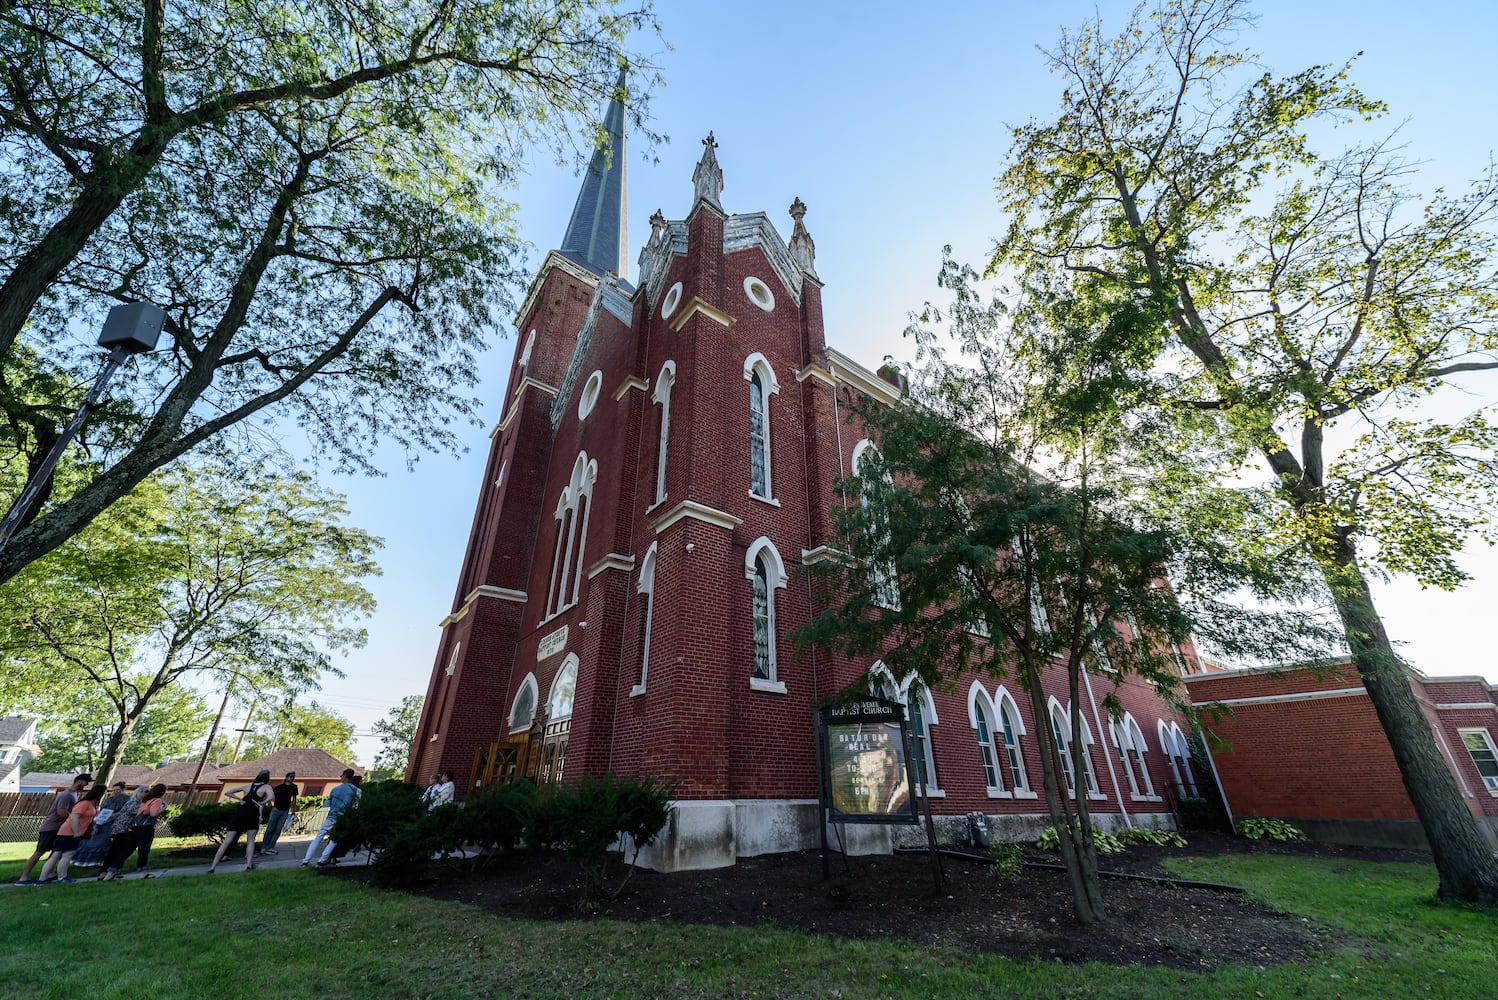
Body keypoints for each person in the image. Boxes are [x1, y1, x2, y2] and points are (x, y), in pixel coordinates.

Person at [15, 773, 91, 884]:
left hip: (60, 828)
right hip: (51, 827)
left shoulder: (73, 794)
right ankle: (23, 878)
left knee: (56, 852)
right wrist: (71, 821)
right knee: (40, 852)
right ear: (79, 781)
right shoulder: (67, 795)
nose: (86, 785)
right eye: (86, 782)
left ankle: (49, 874)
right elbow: (61, 811)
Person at [208, 769, 273, 873]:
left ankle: (212, 867)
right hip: (252, 814)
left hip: (240, 813)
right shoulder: (266, 787)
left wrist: (240, 799)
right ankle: (248, 865)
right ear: (267, 778)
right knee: (250, 840)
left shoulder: (247, 786)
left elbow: (228, 792)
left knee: (227, 841)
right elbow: (271, 796)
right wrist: (262, 802)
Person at [37, 785, 105, 883]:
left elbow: (89, 817)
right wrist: (76, 832)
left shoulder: (90, 804)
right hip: (70, 833)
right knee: (67, 855)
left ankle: (42, 879)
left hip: (66, 832)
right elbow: (74, 817)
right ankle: (62, 877)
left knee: (56, 855)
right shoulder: (84, 803)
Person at [100, 783, 167, 880]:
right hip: (145, 830)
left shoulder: (144, 801)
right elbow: (153, 814)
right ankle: (142, 872)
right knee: (143, 851)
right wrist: (164, 808)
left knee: (124, 852)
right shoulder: (157, 800)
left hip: (133, 830)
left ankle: (110, 873)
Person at [301, 768, 357, 867]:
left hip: (331, 816)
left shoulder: (335, 789)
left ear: (344, 777)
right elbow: (355, 806)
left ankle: (306, 860)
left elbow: (328, 804)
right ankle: (323, 859)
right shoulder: (355, 790)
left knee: (318, 837)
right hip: (342, 818)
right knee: (334, 840)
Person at [72, 780, 130, 868]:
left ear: (122, 790)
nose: (116, 792)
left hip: (116, 822)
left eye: (118, 790)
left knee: (105, 841)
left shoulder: (127, 799)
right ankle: (88, 861)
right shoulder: (109, 799)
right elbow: (102, 810)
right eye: (114, 790)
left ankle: (102, 861)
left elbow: (126, 811)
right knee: (92, 840)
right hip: (103, 821)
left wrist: (115, 815)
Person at [259, 771, 298, 854]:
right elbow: (269, 795)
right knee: (270, 828)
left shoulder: (294, 787)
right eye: (291, 777)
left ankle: (271, 847)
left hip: (285, 811)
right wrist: (270, 805)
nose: (292, 778)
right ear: (287, 777)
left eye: (293, 777)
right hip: (276, 810)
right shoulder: (279, 787)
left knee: (278, 829)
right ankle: (264, 847)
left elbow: (294, 799)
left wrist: (293, 810)